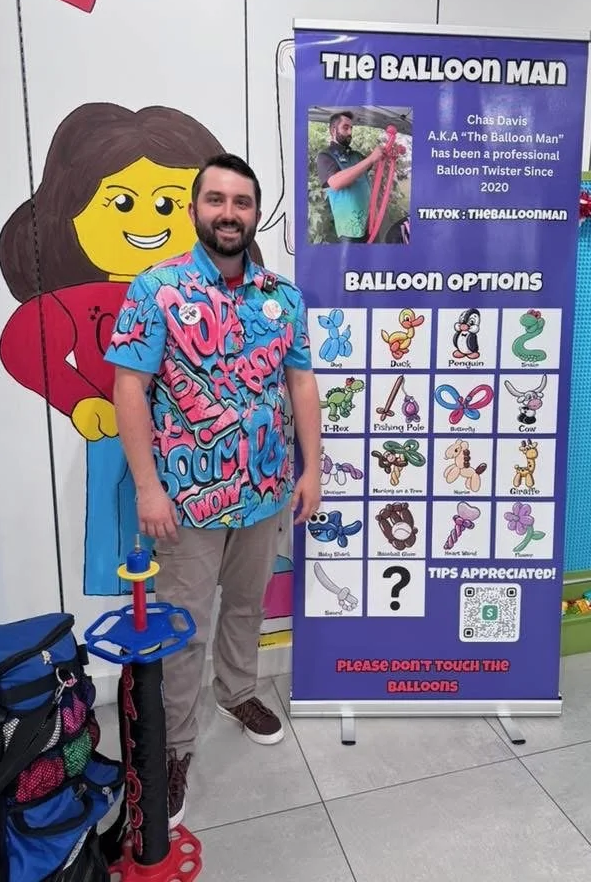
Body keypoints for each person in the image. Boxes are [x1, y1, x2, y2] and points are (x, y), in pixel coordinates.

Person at [104, 153, 322, 828]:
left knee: (246, 609)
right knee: (182, 627)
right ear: (196, 207)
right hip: (188, 503)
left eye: (242, 202)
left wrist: (312, 468)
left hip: (264, 492)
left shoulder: (282, 297)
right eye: (217, 200)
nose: (230, 213)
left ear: (256, 213)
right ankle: (174, 746)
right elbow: (129, 387)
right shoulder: (156, 289)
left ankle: (237, 692)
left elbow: (302, 384)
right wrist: (147, 487)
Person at [315, 110, 384, 242]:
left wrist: (386, 153)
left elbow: (375, 163)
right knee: (354, 263)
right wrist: (370, 159)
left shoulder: (356, 155)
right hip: (349, 231)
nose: (350, 132)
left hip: (371, 224)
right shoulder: (325, 156)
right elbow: (335, 183)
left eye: (351, 128)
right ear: (333, 130)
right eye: (345, 127)